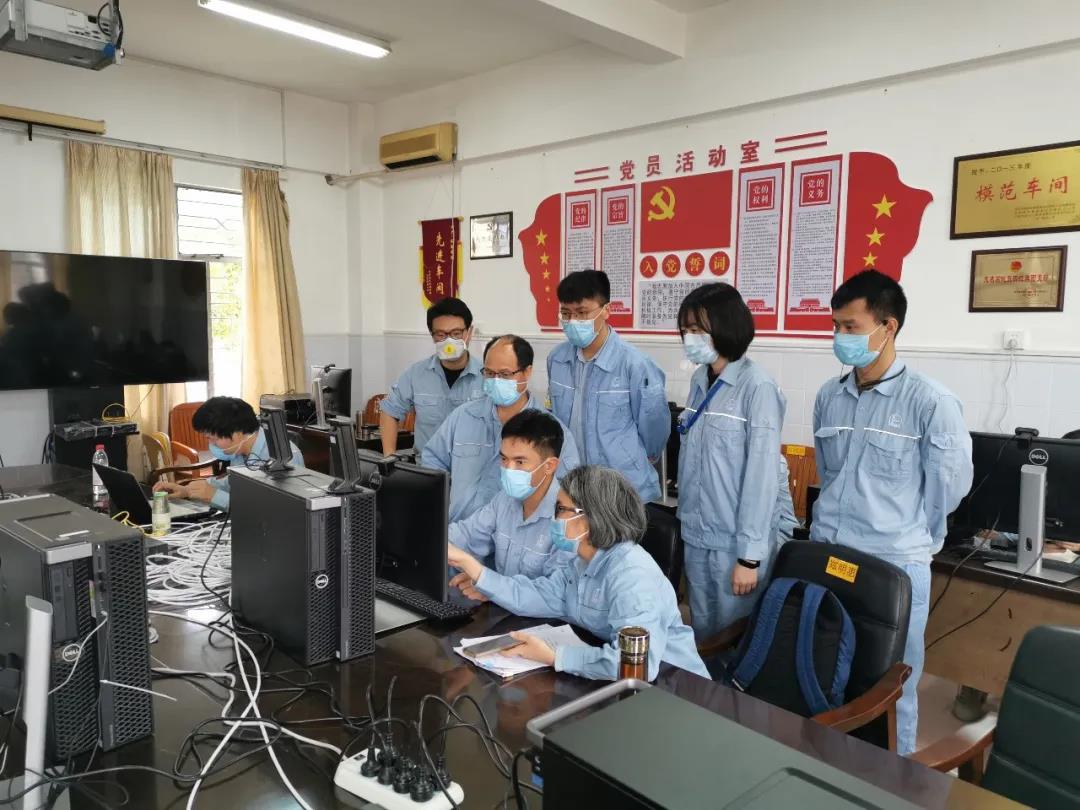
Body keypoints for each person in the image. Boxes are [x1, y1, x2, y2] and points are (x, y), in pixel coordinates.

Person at [811, 269, 973, 756]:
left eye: (851, 327)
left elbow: (949, 488)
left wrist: (913, 536)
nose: (840, 337)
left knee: (890, 686)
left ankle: (891, 779)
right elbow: (829, 474)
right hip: (830, 553)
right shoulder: (829, 395)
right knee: (825, 667)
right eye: (836, 326)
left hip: (893, 563)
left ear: (888, 327)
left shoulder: (931, 402)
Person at [447, 465, 709, 681]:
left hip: (678, 689)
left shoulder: (632, 576)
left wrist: (554, 657)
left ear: (591, 517)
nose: (554, 518)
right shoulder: (581, 563)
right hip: (622, 684)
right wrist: (475, 569)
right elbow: (533, 595)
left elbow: (638, 665)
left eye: (561, 509)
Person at [675, 283, 786, 641]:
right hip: (697, 534)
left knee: (735, 640)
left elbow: (762, 477)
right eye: (685, 329)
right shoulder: (699, 379)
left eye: (697, 329)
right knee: (703, 635)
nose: (689, 337)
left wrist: (749, 557)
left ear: (726, 326)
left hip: (734, 544)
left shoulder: (757, 387)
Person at [422, 335, 580, 522]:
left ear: (527, 372)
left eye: (505, 374)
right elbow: (433, 460)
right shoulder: (463, 416)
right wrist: (438, 509)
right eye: (489, 373)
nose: (496, 381)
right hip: (458, 529)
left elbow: (567, 494)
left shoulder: (552, 432)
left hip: (513, 534)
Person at [547, 270, 670, 504]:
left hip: (621, 488)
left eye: (582, 313)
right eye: (566, 313)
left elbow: (654, 431)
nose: (573, 321)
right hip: (571, 483)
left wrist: (631, 458)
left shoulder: (634, 364)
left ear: (606, 310)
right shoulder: (557, 359)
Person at [448, 410, 574, 590]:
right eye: (504, 459)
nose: (508, 469)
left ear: (549, 466)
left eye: (519, 462)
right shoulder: (504, 500)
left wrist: (490, 586)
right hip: (499, 605)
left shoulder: (569, 519)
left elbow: (554, 593)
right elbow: (465, 536)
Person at [152, 396, 304, 511]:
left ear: (237, 433)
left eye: (213, 438)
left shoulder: (284, 457)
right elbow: (231, 484)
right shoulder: (239, 450)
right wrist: (187, 490)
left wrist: (214, 496)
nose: (211, 444)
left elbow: (274, 510)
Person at [379, 297, 484, 457]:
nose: (449, 341)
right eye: (441, 334)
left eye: (456, 334)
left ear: (469, 332)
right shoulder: (416, 374)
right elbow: (390, 411)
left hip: (471, 468)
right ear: (432, 335)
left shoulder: (487, 377)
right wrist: (389, 457)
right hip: (427, 467)